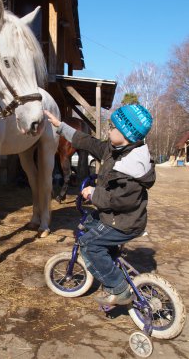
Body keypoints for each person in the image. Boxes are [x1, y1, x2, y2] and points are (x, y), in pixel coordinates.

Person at [44, 104, 156, 305]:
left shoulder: (129, 167)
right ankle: (110, 260)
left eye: (113, 127)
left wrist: (93, 193)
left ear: (126, 134)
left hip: (123, 222)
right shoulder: (115, 150)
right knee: (90, 222)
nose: (109, 129)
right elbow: (89, 143)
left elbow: (119, 200)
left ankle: (120, 288)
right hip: (116, 217)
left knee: (89, 244)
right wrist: (61, 126)